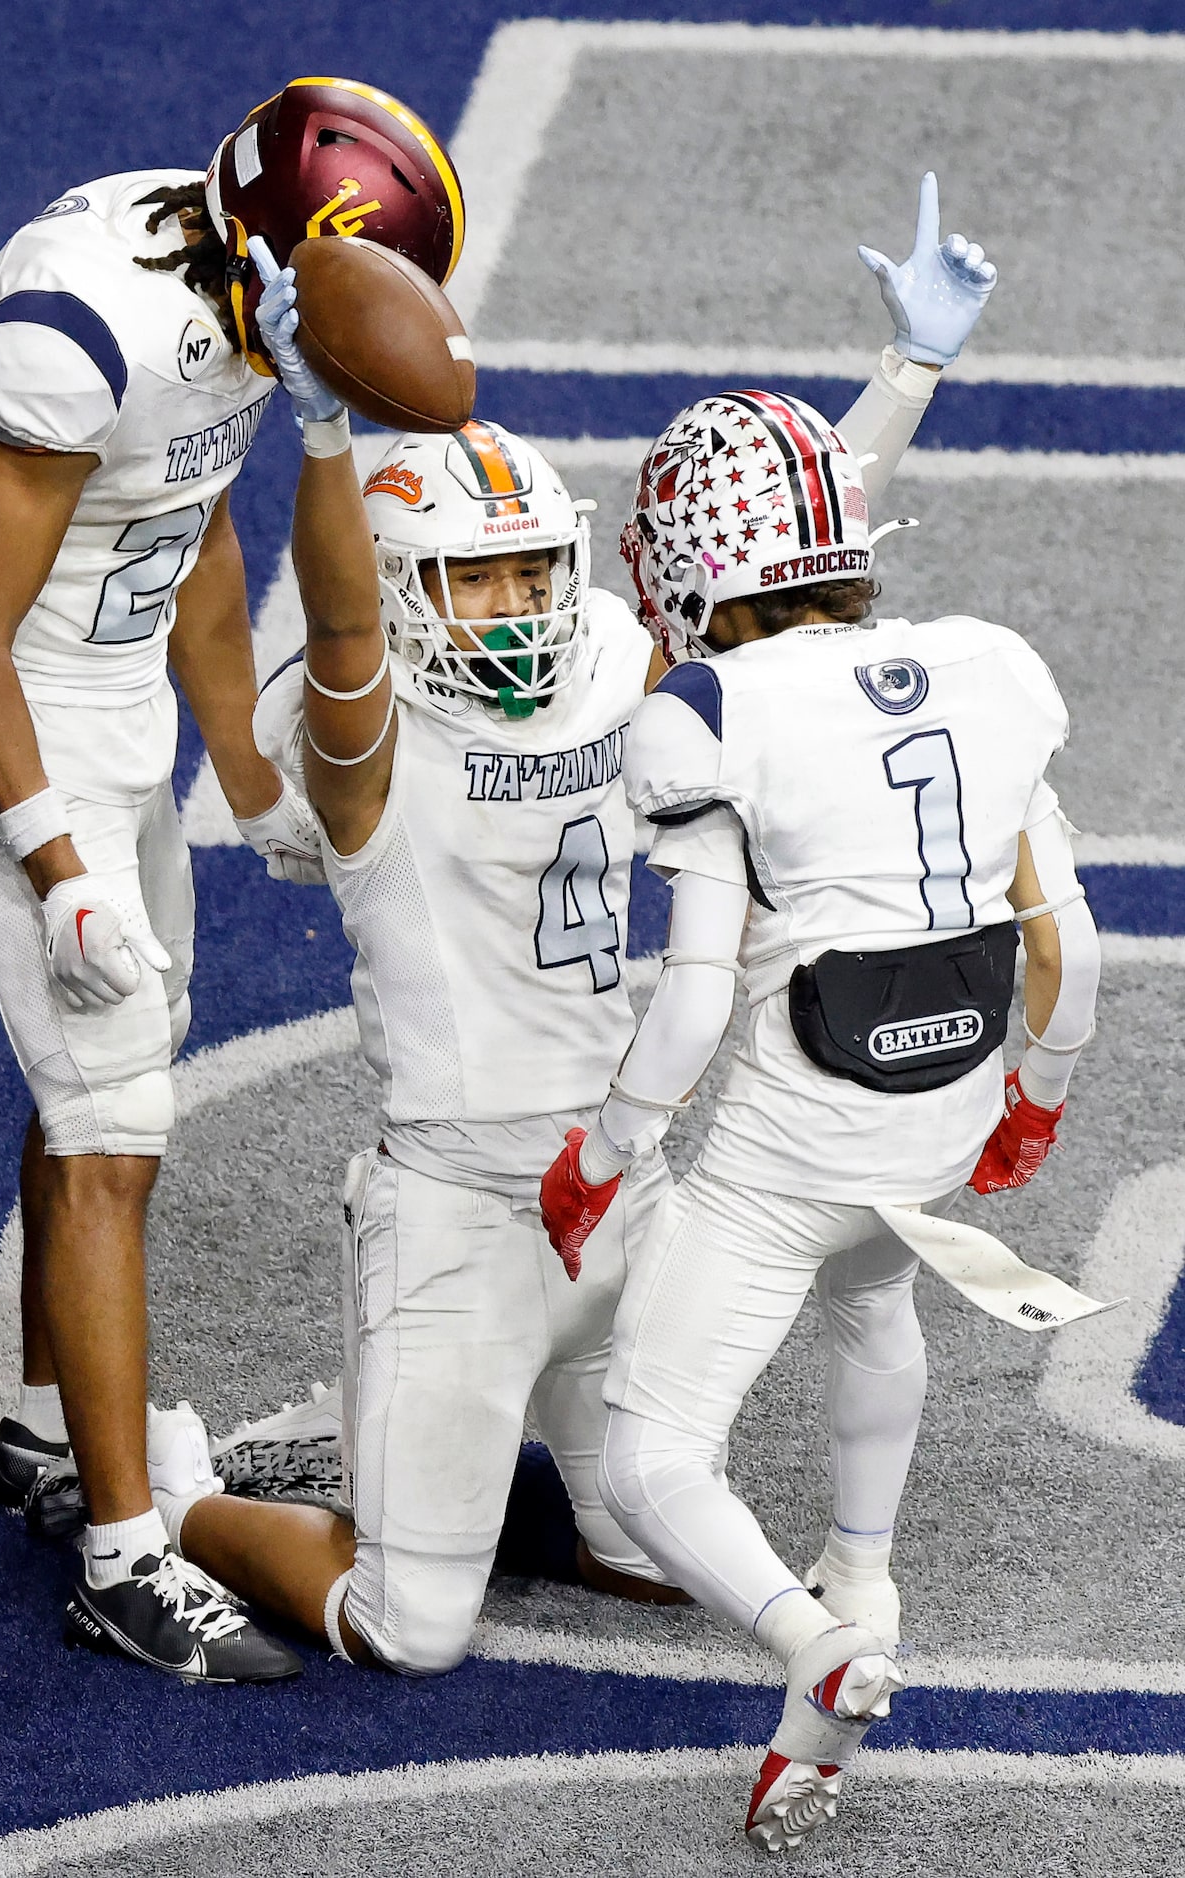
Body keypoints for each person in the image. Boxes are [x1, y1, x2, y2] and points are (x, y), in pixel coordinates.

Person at [138, 178, 1005, 1677]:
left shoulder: (615, 653)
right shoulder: (364, 735)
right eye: (476, 575)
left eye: (539, 564)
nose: (523, 600)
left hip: (626, 1191)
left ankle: (399, 1445)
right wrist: (325, 435)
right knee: (412, 1632)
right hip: (467, 1210)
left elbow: (770, 579)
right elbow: (343, 635)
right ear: (408, 591)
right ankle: (181, 1496)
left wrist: (905, 375)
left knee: (646, 1548)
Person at [0, 78, 464, 1683]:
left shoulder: (230, 270)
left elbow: (195, 529)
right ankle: (120, 1555)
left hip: (111, 698)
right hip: (13, 710)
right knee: (115, 1139)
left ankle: (39, 1431)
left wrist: (244, 771)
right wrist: (55, 864)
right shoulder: (78, 329)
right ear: (273, 251)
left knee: (106, 1087)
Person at [537, 381, 1103, 1846]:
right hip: (942, 1104)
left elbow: (694, 1001)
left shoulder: (709, 711)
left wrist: (600, 1157)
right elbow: (1071, 956)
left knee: (655, 1451)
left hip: (792, 1143)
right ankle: (866, 1569)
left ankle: (816, 1639)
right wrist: (1029, 1108)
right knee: (872, 1292)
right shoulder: (987, 664)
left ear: (685, 569)